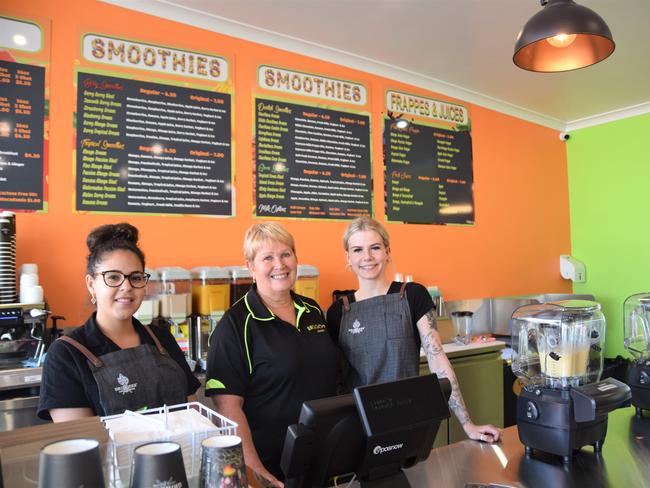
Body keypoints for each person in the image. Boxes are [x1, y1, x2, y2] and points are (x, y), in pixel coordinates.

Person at [326, 217, 501, 443]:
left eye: (375, 248)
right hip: (359, 424)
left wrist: (468, 424)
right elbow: (336, 379)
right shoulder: (338, 312)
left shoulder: (413, 295)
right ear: (348, 257)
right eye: (357, 250)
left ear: (388, 251)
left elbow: (437, 360)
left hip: (406, 418)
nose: (367, 257)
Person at [205, 222, 338, 487]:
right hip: (272, 468)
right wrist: (256, 471)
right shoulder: (235, 324)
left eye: (286, 254)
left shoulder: (311, 309)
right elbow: (228, 409)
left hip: (323, 459)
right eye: (267, 257)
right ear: (251, 267)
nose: (280, 264)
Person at [38, 223, 200, 422]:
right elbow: (80, 441)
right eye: (113, 277)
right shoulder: (66, 354)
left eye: (135, 277)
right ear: (91, 284)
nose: (126, 287)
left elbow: (192, 416)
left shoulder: (161, 339)